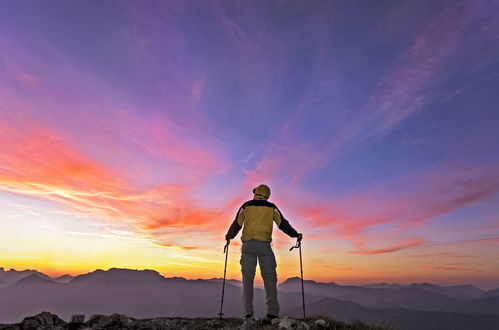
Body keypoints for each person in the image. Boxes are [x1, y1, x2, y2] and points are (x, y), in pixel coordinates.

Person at [225, 184, 303, 321]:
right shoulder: (271, 207)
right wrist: (295, 235)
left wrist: (228, 237)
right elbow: (282, 224)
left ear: (256, 193)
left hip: (248, 246)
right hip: (264, 246)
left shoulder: (246, 206)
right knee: (270, 279)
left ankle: (248, 314)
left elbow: (237, 224)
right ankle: (272, 314)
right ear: (267, 196)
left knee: (247, 280)